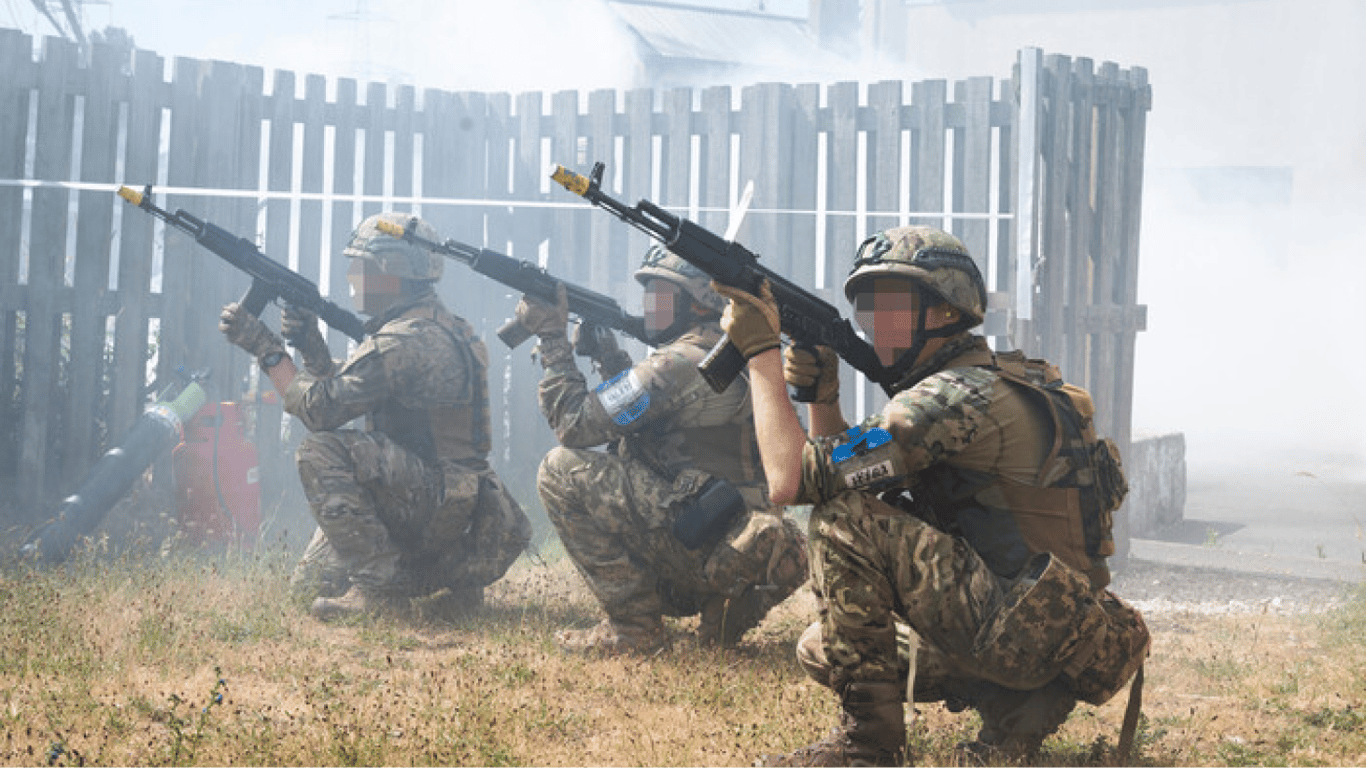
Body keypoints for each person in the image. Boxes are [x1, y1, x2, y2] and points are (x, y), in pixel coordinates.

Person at [712, 226, 1150, 766]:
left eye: (893, 307)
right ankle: (1016, 705)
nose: (876, 325)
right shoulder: (996, 380)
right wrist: (823, 397)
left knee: (841, 521)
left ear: (944, 311)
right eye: (869, 309)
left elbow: (792, 481)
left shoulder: (949, 399)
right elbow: (848, 472)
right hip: (1057, 630)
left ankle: (868, 746)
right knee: (820, 644)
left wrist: (760, 354)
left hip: (1021, 632)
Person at [219, 212, 532, 621]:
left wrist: (267, 350)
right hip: (454, 505)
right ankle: (450, 582)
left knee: (320, 450)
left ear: (391, 272)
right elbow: (352, 391)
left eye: (361, 266)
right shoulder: (437, 326)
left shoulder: (406, 340)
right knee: (309, 587)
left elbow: (320, 411)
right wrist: (312, 346)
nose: (352, 276)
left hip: (434, 505)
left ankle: (383, 596)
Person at [512, 245, 808, 654]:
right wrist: (609, 359)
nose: (651, 308)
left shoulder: (678, 362)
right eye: (649, 296)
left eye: (663, 297)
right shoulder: (736, 354)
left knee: (560, 469)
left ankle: (633, 628)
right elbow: (649, 425)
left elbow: (574, 423)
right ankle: (720, 618)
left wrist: (552, 340)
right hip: (749, 547)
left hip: (699, 544)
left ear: (699, 303)